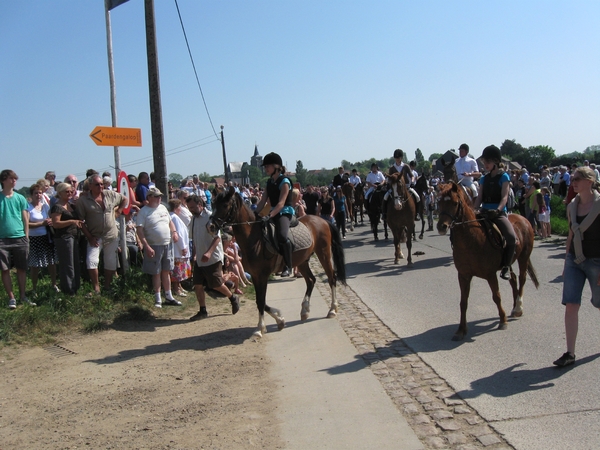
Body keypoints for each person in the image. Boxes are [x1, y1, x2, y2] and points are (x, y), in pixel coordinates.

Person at [553, 167, 600, 367]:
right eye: (573, 178)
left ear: (590, 181)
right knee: (571, 305)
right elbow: (571, 235)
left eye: (578, 179)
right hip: (575, 259)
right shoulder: (572, 205)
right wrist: (566, 261)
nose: (574, 181)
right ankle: (570, 353)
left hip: (597, 261)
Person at [186, 195, 240, 320]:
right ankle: (203, 310)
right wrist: (194, 255)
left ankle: (232, 298)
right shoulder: (193, 220)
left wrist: (209, 253)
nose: (191, 210)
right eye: (189, 208)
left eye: (193, 207)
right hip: (200, 259)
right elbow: (194, 240)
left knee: (216, 284)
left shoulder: (210, 217)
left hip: (213, 258)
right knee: (198, 284)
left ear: (200, 204)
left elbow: (217, 238)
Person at [76, 174, 128, 295]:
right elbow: (81, 221)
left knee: (110, 262)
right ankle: (96, 288)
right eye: (97, 184)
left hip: (111, 235)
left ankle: (108, 286)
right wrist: (89, 237)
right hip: (95, 236)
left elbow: (124, 199)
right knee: (91, 261)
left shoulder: (109, 194)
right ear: (90, 186)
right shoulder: (83, 200)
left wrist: (119, 210)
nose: (100, 186)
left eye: (101, 184)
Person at [472, 145, 517, 280]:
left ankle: (506, 267)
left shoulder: (504, 177)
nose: (485, 164)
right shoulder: (484, 178)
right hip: (484, 211)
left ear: (496, 162)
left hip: (498, 213)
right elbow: (479, 197)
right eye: (484, 162)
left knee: (511, 238)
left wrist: (497, 210)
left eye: (488, 162)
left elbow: (504, 197)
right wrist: (474, 209)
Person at [136, 187, 181, 308]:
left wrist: (174, 232)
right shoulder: (143, 211)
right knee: (156, 272)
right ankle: (158, 298)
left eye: (160, 196)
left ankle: (168, 295)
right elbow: (139, 230)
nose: (159, 198)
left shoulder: (163, 207)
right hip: (153, 245)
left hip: (167, 243)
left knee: (166, 271)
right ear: (149, 197)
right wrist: (146, 246)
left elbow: (170, 222)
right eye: (156, 196)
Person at [255, 152, 295, 277]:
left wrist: (270, 215)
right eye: (265, 167)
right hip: (272, 211)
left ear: (276, 166)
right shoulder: (269, 182)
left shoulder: (285, 181)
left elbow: (281, 203)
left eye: (268, 166)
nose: (265, 168)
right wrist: (254, 214)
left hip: (284, 212)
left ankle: (288, 266)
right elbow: (262, 201)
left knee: (282, 236)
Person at [0, 170, 33, 309]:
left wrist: (26, 236)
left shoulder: (20, 198)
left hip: (20, 238)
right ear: (3, 180)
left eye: (15, 178)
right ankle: (11, 298)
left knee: (22, 268)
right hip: (2, 239)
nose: (14, 181)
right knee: (5, 269)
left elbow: (26, 219)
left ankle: (23, 296)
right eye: (11, 178)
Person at [50, 182, 83, 295]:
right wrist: (71, 221)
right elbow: (56, 223)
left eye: (71, 191)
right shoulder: (57, 207)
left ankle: (76, 287)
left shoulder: (71, 205)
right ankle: (68, 290)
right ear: (59, 193)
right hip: (64, 238)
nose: (69, 193)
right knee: (67, 265)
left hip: (74, 237)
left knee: (75, 263)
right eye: (66, 191)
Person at [27, 183, 58, 293]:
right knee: (35, 265)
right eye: (36, 193)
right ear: (31, 194)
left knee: (51, 262)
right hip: (34, 238)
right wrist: (41, 223)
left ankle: (54, 284)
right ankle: (34, 288)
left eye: (40, 193)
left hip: (46, 237)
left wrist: (49, 221)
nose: (38, 195)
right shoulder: (28, 207)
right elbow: (26, 224)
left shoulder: (45, 206)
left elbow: (50, 219)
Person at [168, 199, 191, 297]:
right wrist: (183, 247)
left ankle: (180, 286)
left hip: (180, 248)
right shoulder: (174, 218)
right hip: (178, 249)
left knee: (180, 270)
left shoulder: (175, 217)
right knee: (177, 270)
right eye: (179, 207)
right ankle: (176, 288)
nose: (180, 209)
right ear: (176, 208)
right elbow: (179, 234)